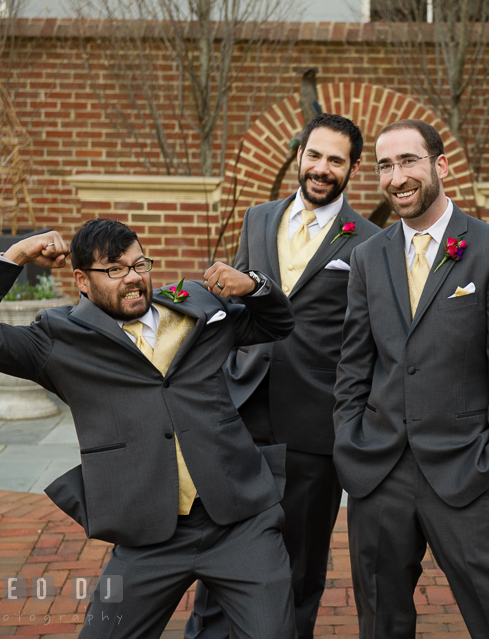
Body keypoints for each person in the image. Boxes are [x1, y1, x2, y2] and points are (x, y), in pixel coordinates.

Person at [0, 220, 298, 639]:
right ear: (82, 281)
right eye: (115, 269)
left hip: (241, 520)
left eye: (140, 264)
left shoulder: (197, 302)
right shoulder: (58, 339)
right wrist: (17, 255)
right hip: (149, 535)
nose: (135, 277)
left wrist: (253, 285)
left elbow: (278, 325)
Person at [332, 119, 489, 639]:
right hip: (379, 470)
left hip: (466, 467)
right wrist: (350, 441)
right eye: (385, 165)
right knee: (380, 618)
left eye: (408, 161)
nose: (396, 177)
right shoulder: (367, 255)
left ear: (439, 165)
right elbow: (354, 363)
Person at [186, 113, 378, 639]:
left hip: (315, 422)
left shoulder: (369, 241)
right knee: (220, 539)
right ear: (299, 155)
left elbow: (367, 339)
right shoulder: (258, 218)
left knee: (300, 556)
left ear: (353, 168)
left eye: (335, 160)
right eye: (314, 155)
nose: (321, 169)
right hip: (242, 408)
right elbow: (239, 313)